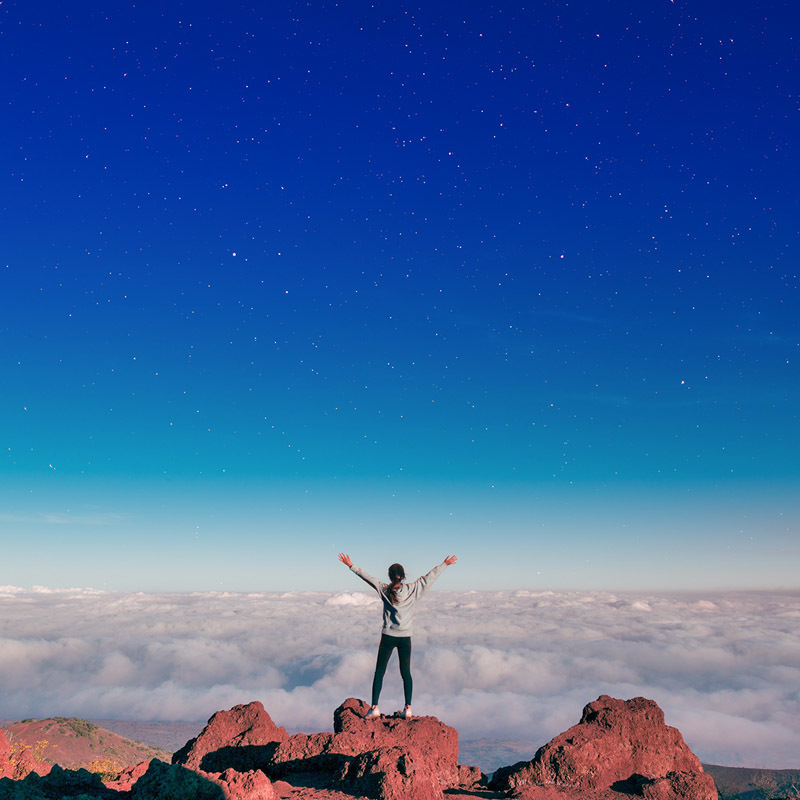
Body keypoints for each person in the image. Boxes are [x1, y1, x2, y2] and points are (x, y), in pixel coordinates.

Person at [338, 552, 457, 719]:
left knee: (380, 672)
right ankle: (408, 708)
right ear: (403, 576)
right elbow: (429, 577)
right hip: (405, 638)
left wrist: (351, 566)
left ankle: (374, 708)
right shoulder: (414, 589)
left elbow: (368, 578)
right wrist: (444, 564)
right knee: (406, 673)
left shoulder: (384, 590)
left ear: (390, 576)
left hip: (388, 637)